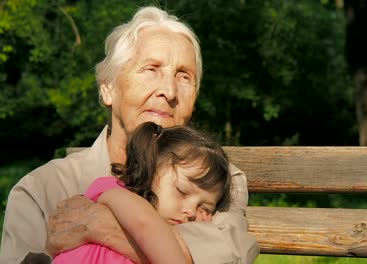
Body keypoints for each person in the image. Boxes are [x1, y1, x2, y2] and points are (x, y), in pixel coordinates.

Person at [1, 5, 259, 264]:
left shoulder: (217, 179)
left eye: (184, 76)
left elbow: (229, 255)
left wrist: (98, 224)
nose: (169, 91)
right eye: (151, 69)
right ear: (108, 89)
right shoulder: (41, 190)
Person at [53, 121, 232, 263]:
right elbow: (144, 223)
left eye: (205, 208)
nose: (191, 212)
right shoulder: (116, 192)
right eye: (182, 191)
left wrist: (197, 229)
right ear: (151, 168)